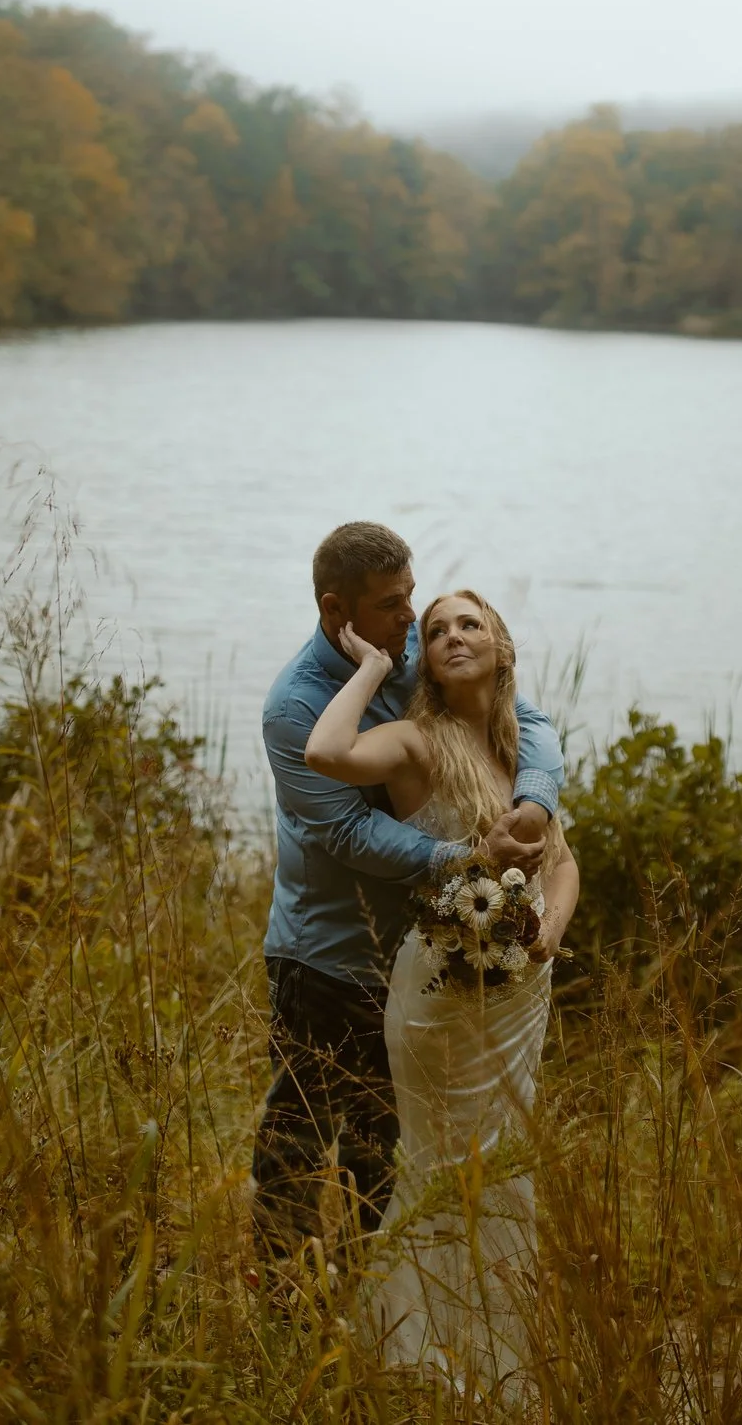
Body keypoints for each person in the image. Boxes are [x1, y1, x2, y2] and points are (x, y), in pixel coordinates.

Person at [254, 523, 563, 1277]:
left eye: (411, 597)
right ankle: (284, 1305)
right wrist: (471, 857)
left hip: (420, 959)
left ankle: (368, 1296)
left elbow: (524, 718)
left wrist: (532, 803)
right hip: (327, 957)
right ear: (337, 611)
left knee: (388, 1147)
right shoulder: (294, 706)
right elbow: (349, 832)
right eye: (392, 604)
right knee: (299, 1139)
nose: (410, 617)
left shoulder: (408, 654)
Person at [305, 586, 581, 1395]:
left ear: (501, 645)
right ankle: (412, 1355)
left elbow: (563, 863)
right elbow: (325, 751)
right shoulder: (416, 740)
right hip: (439, 989)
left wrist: (549, 932)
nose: (453, 635)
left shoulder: (525, 749)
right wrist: (372, 667)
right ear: (424, 659)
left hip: (521, 989)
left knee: (507, 1171)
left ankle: (498, 1353)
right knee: (441, 1166)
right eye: (434, 631)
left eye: (470, 623)